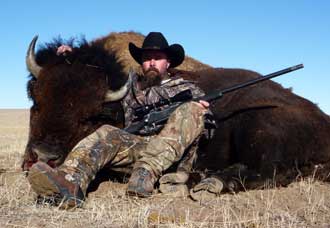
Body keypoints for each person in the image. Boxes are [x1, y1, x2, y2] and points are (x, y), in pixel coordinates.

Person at [27, 32, 211, 209]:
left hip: (173, 158)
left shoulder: (188, 90)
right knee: (107, 132)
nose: (152, 62)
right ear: (141, 62)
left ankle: (146, 172)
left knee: (193, 109)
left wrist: (202, 112)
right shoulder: (131, 89)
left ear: (168, 62)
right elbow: (88, 93)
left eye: (158, 57)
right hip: (140, 150)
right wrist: (71, 59)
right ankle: (69, 182)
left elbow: (208, 133)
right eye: (147, 58)